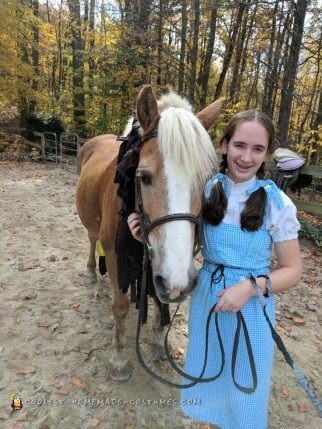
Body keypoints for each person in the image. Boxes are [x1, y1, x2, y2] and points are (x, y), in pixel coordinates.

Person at [127, 110, 302, 429]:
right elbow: (181, 234)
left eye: (257, 149)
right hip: (208, 298)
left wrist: (250, 287)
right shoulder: (205, 189)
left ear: (267, 153)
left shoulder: (278, 204)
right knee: (208, 374)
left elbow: (292, 270)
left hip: (250, 307)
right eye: (239, 145)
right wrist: (147, 234)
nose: (246, 157)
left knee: (246, 386)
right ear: (223, 145)